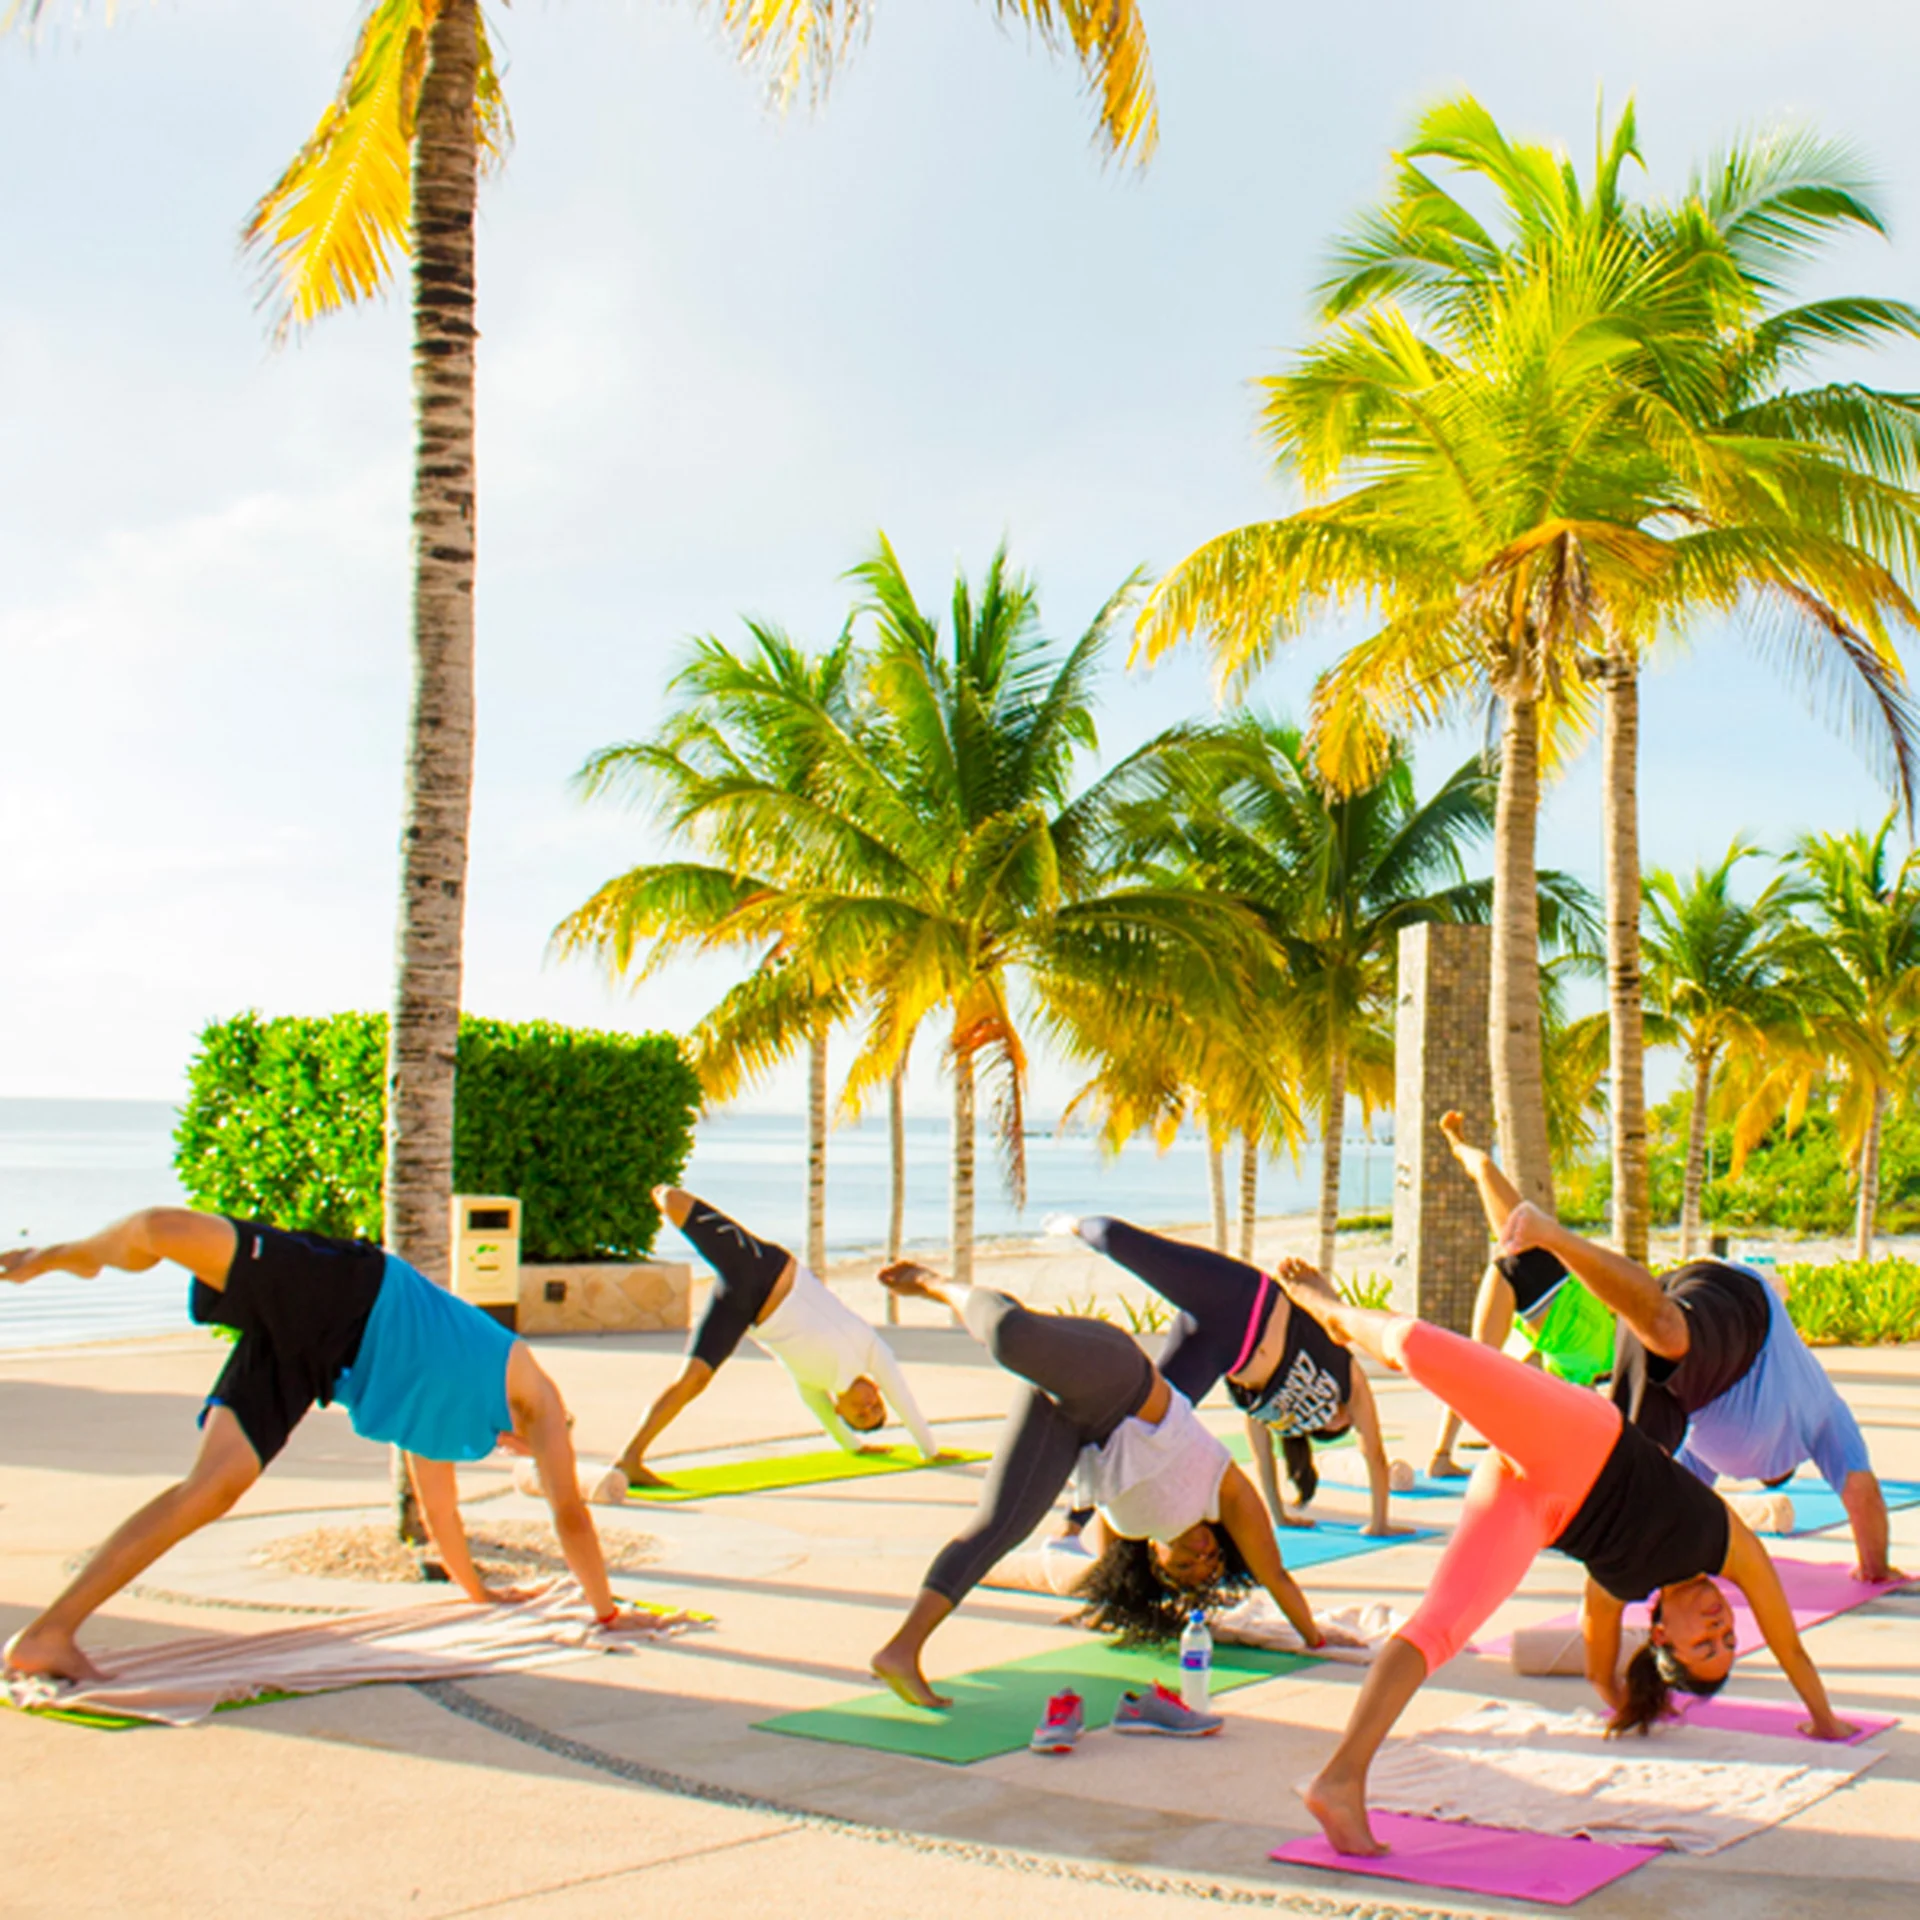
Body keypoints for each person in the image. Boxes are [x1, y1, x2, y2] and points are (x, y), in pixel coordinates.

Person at [1271, 1258, 1857, 1858]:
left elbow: (1604, 1673)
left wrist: (1631, 1703)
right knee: (1421, 1346)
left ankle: (1341, 1778)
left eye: (1705, 1645)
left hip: (1532, 1505)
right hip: (1577, 1437)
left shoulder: (1616, 1593)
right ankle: (1333, 1313)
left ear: (1659, 1633)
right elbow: (1789, 1646)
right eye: (1729, 1638)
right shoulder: (1728, 1545)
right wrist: (1825, 1719)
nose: (1721, 1628)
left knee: (1437, 1630)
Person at [1, 1208, 679, 1682]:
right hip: (349, 1290)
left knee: (213, 1488)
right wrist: (609, 1613)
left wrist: (479, 1594)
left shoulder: (460, 1431)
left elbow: (441, 1515)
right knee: (161, 1230)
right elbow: (571, 1515)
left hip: (318, 1362)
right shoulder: (535, 1390)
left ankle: (48, 1634)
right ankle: (64, 1258)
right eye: (552, 1441)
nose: (543, 1448)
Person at [867, 1260, 1335, 1709]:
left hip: (1069, 1420)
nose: (1202, 1553)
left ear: (1156, 1559)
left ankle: (900, 1650)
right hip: (1121, 1378)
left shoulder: (1127, 1532)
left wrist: (1098, 1600)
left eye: (1189, 1565)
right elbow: (1274, 1575)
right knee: (1012, 1337)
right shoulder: (1223, 1494)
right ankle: (933, 1283)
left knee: (999, 1527)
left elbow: (1068, 1574)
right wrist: (1315, 1638)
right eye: (1212, 1556)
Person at [1493, 1186, 1896, 1582]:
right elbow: (1861, 1492)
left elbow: (1671, 1502)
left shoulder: (1708, 1453)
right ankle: (1553, 1237)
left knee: (1625, 1473)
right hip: (1745, 1321)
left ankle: (1523, 1248)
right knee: (1665, 1328)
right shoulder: (1822, 1415)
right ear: (1780, 1468)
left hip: (1684, 1379)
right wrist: (1875, 1569)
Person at [1052, 1214, 1403, 1534]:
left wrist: (1278, 1515)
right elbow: (1375, 1454)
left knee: (1136, 1428)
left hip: (1215, 1351)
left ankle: (1072, 1524)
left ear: (1318, 1430)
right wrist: (1380, 1521)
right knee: (1117, 1239)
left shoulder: (1279, 1418)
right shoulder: (1348, 1378)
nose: (1344, 1420)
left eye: (1335, 1426)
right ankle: (1073, 1224)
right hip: (1245, 1297)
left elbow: (1263, 1458)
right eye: (1345, 1422)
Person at [616, 1189, 938, 1487]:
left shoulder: (811, 1384)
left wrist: (856, 1447)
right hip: (763, 1267)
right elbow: (903, 1397)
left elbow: (825, 1419)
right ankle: (650, 1188)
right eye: (876, 1407)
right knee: (671, 1199)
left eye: (861, 1415)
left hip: (744, 1308)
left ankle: (630, 1458)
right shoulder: (871, 1352)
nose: (867, 1407)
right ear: (877, 1391)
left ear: (841, 1410)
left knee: (694, 1379)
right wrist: (929, 1450)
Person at [1427, 1112, 1617, 1478]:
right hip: (1548, 1275)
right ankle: (1439, 1455)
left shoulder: (1570, 1368)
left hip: (1540, 1283)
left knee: (1473, 1362)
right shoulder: (1597, 1358)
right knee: (1485, 1172)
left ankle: (1440, 1455)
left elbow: (1526, 1383)